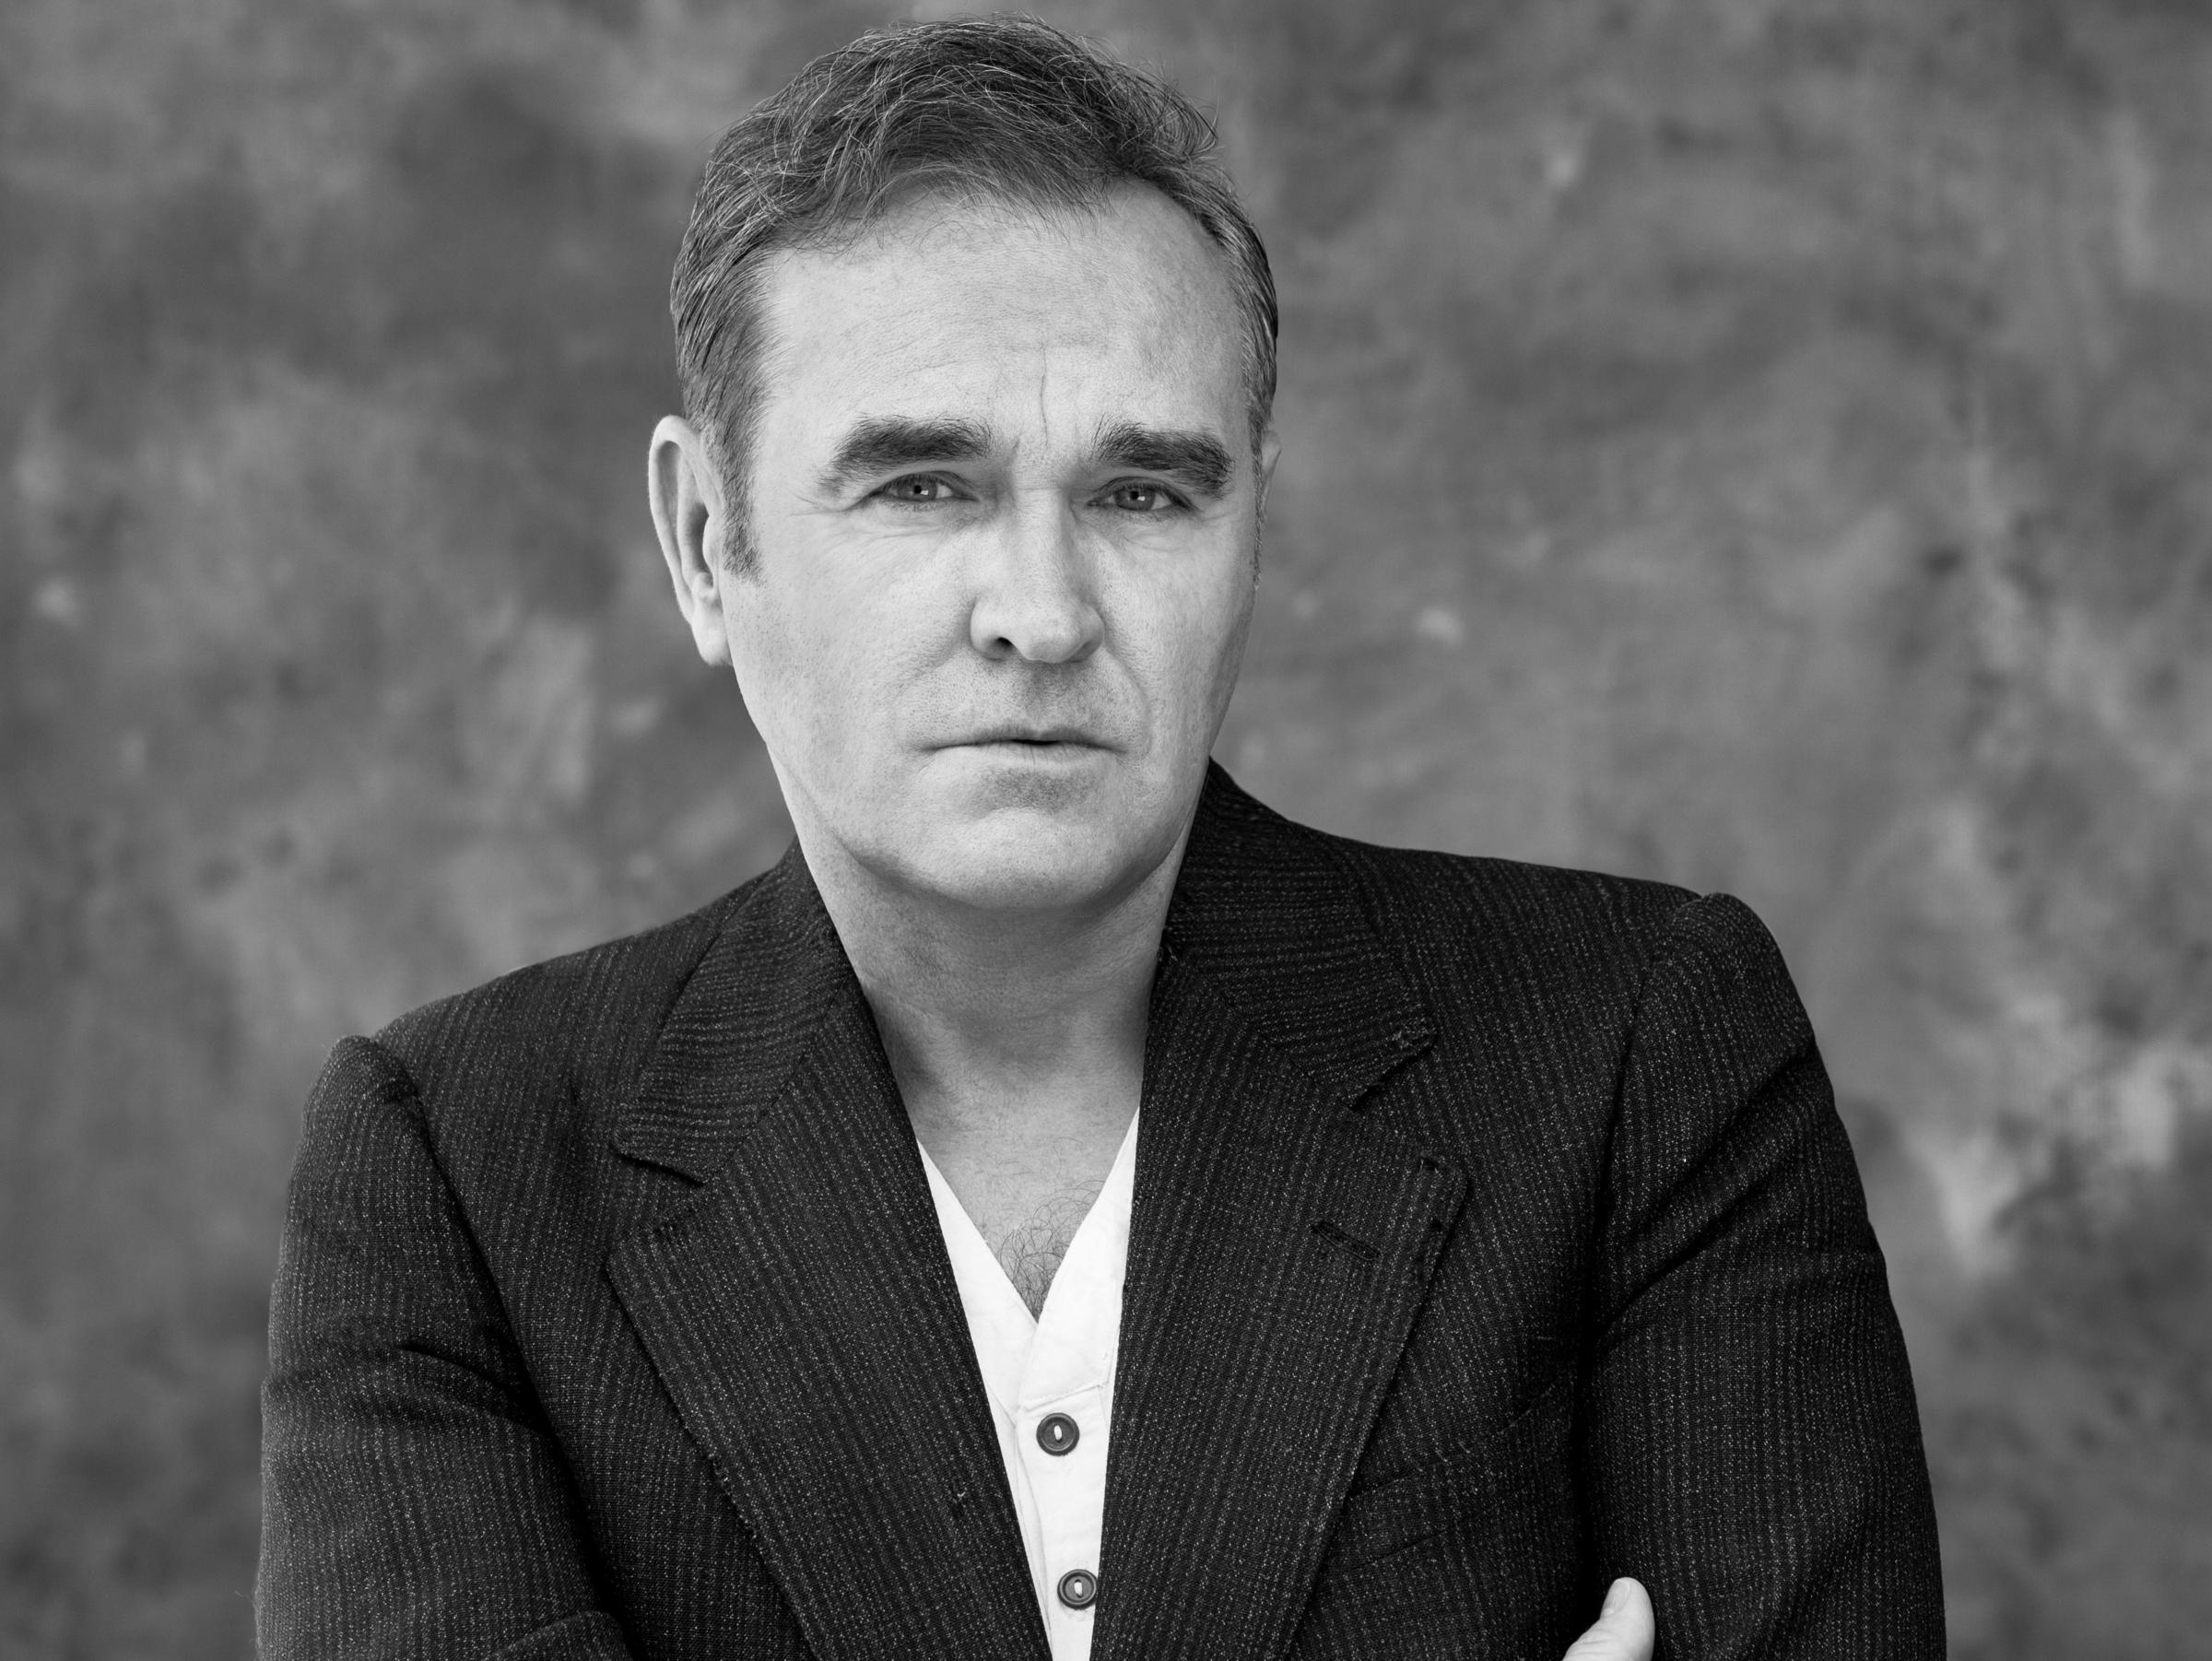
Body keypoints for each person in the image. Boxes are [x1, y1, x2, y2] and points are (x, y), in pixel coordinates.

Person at [257, 18, 1943, 1660]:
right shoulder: (459, 1170)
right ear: (708, 541)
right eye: (923, 485)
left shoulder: (1638, 1052)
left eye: (1145, 493)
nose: (1043, 613)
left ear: (1252, 527)